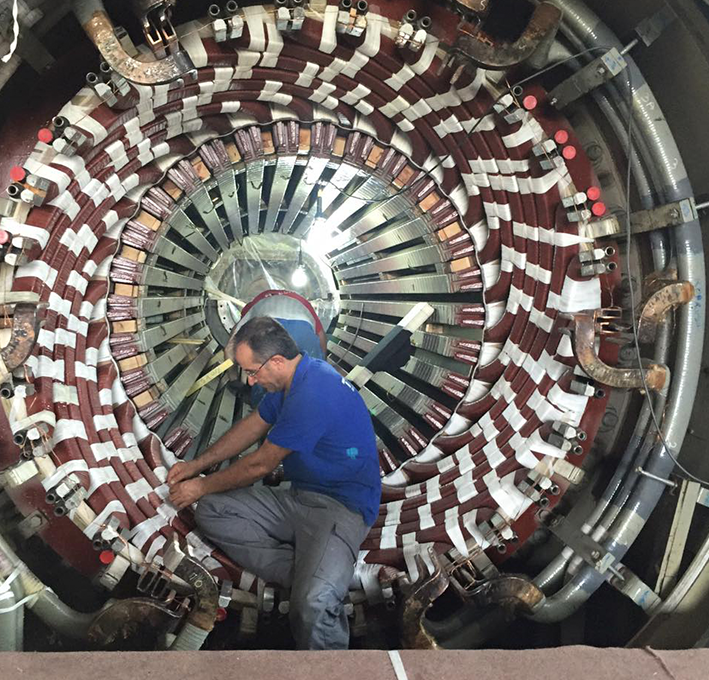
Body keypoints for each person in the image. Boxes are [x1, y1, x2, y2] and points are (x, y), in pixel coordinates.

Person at [168, 317, 381, 650]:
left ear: (277, 361)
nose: (250, 381)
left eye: (252, 372)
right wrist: (196, 466)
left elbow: (260, 464)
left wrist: (200, 485)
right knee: (212, 510)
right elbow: (251, 427)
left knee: (313, 604)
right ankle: (318, 574)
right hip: (299, 497)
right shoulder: (291, 383)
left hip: (341, 509)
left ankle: (325, 625)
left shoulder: (314, 392)